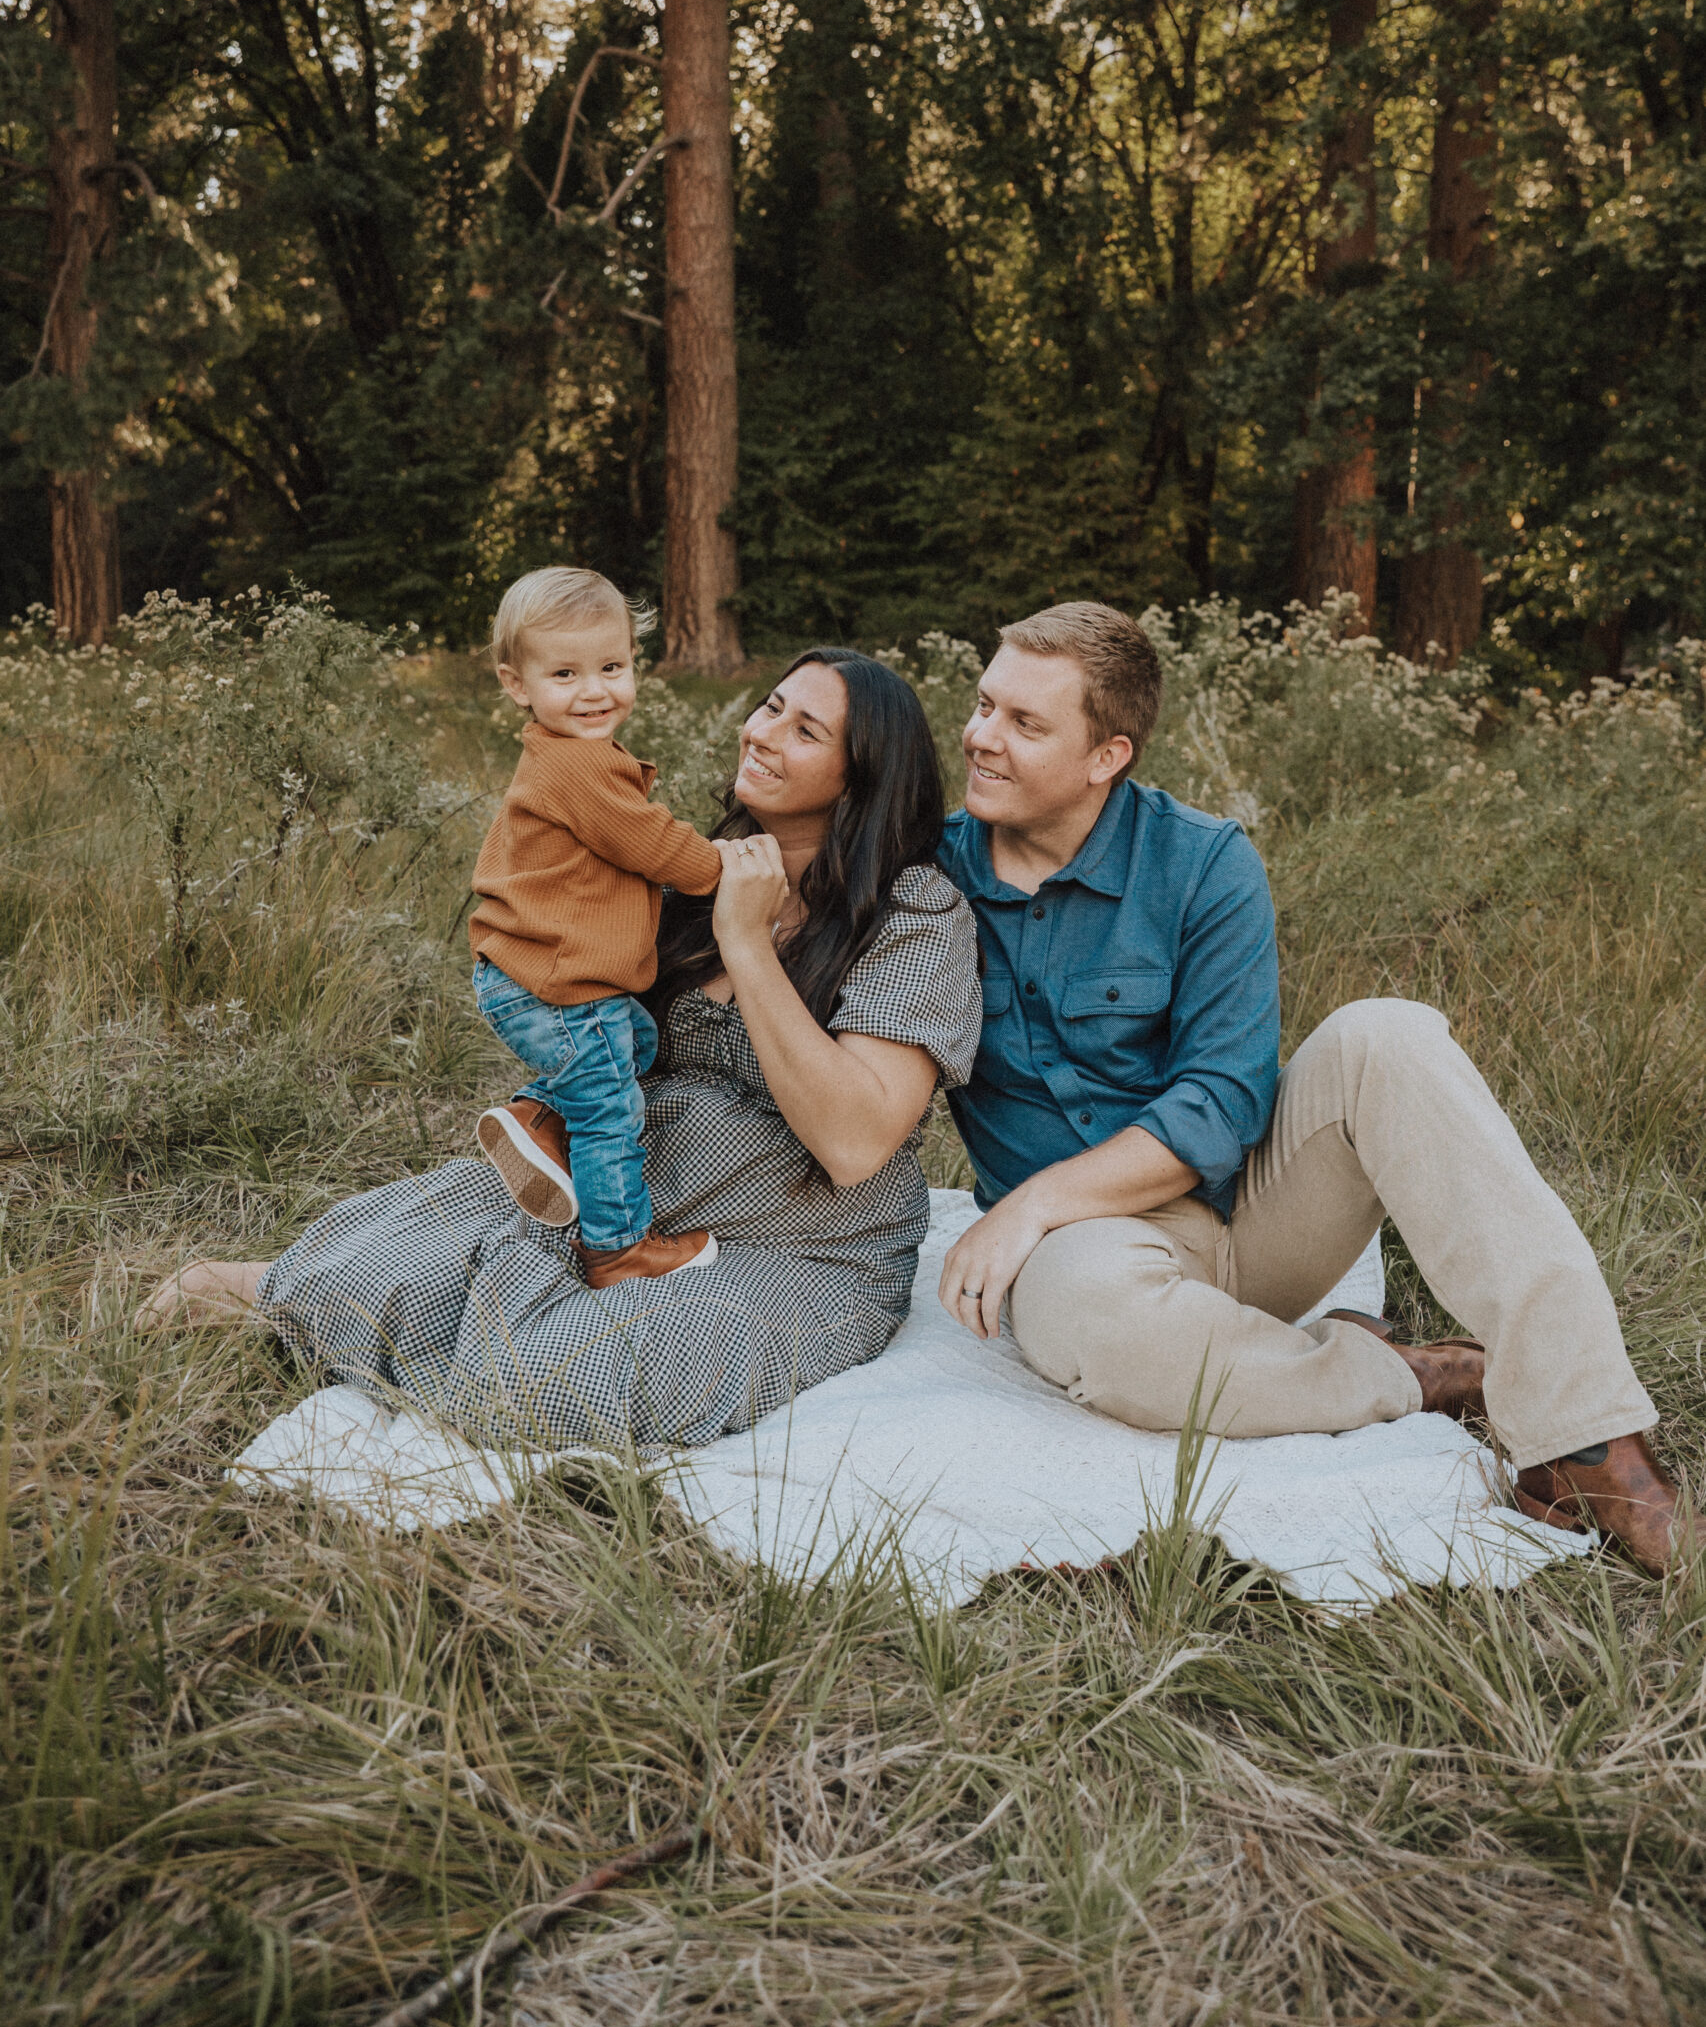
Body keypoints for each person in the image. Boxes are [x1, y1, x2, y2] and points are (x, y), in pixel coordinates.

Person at [935, 600, 1692, 1576]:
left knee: (1388, 1032)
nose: (979, 737)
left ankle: (1589, 1444)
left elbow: (1221, 1101)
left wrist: (1029, 1200)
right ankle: (1400, 1373)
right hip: (1085, 1258)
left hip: (1247, 1210)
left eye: (1022, 723)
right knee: (1102, 1328)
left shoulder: (1202, 861)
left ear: (1105, 755)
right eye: (983, 704)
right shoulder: (926, 871)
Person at [141, 652, 981, 1456]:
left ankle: (447, 1329)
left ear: (862, 777)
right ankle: (327, 1294)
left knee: (537, 1382)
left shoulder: (911, 910)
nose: (763, 733)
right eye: (770, 706)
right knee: (371, 1265)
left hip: (792, 1247)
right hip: (623, 1196)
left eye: (806, 732)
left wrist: (749, 943)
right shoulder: (692, 872)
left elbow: (855, 1141)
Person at [469, 564, 726, 1284]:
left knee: (634, 1043)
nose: (594, 691)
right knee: (613, 1107)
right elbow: (651, 843)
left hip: (528, 976)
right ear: (518, 685)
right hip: (556, 985)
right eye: (565, 675)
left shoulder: (560, 756)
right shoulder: (579, 768)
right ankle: (619, 1246)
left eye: (611, 667)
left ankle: (537, 1121)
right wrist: (721, 871)